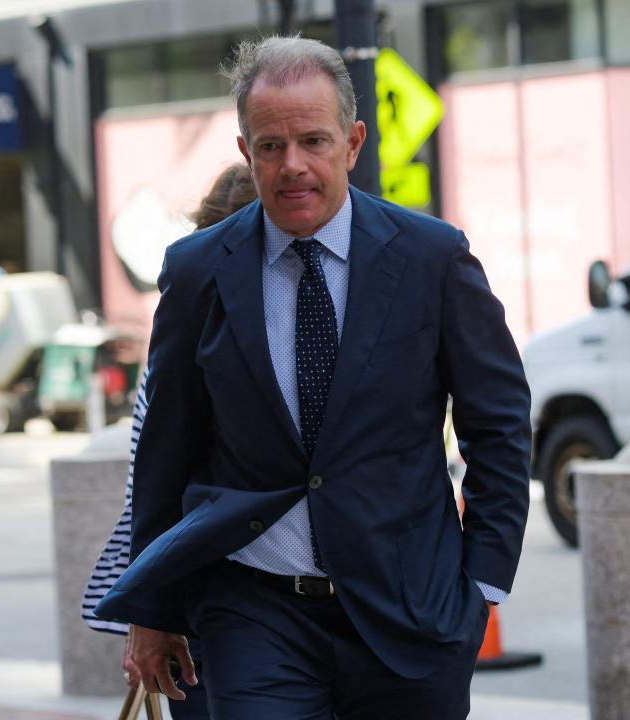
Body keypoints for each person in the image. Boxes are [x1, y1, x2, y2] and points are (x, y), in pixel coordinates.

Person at [95, 36, 531, 719]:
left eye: (313, 142)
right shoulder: (199, 270)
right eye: (270, 146)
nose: (292, 165)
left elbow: (498, 426)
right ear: (246, 151)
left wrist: (482, 586)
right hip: (253, 613)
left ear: (353, 144)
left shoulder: (432, 259)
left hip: (412, 613)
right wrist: (151, 605)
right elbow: (164, 452)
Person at [82, 162, 256, 720]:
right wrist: (151, 613)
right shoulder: (184, 324)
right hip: (205, 594)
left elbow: (145, 476)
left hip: (206, 590)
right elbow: (151, 477)